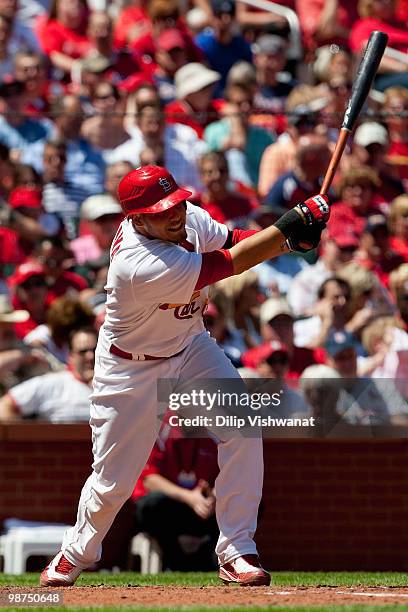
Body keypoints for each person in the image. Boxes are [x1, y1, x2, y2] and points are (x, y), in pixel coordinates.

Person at [39, 165, 329, 587]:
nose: (175, 214)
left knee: (243, 427)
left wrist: (289, 242)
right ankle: (75, 552)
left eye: (175, 202)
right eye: (161, 211)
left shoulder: (186, 217)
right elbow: (229, 264)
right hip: (129, 366)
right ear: (136, 219)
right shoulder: (137, 264)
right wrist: (287, 228)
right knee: (114, 479)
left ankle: (237, 550)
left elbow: (234, 241)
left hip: (190, 345)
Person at [0, 326, 96, 422]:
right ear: (70, 356)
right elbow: (6, 405)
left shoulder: (110, 386)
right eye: (83, 352)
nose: (90, 356)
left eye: (95, 350)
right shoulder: (53, 383)